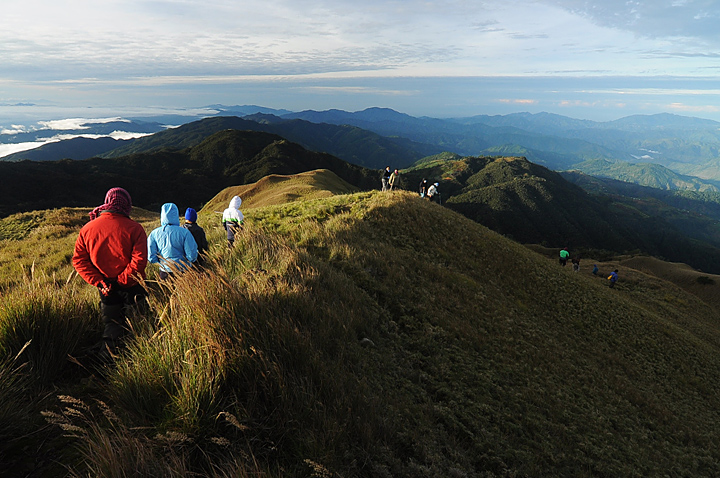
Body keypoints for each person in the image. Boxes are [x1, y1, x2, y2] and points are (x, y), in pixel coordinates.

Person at [72, 187, 148, 356]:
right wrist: (122, 281)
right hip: (132, 286)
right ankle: (138, 359)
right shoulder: (135, 229)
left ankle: (106, 362)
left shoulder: (87, 229)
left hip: (106, 289)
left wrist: (100, 282)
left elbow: (79, 260)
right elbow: (139, 261)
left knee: (112, 325)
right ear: (127, 204)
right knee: (139, 326)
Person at [147, 203, 198, 280]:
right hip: (183, 270)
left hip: (164, 271)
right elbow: (191, 255)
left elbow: (151, 257)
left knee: (167, 292)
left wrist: (161, 262)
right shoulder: (185, 232)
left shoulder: (154, 233)